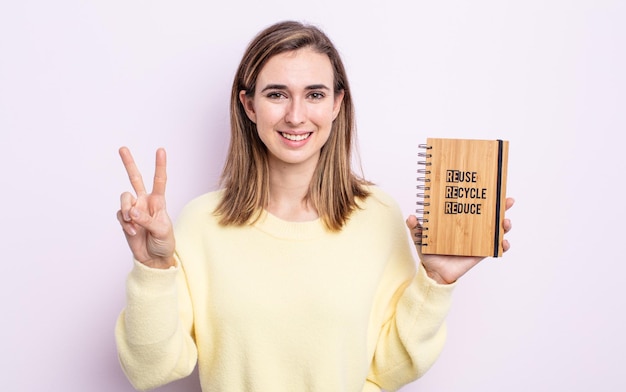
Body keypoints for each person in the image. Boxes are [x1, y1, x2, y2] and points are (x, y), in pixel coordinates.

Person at [115, 20, 514, 392]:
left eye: (315, 95)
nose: (295, 115)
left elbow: (389, 367)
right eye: (276, 95)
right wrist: (153, 270)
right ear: (249, 106)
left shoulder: (377, 215)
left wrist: (437, 281)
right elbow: (151, 369)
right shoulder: (202, 222)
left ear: (337, 103)